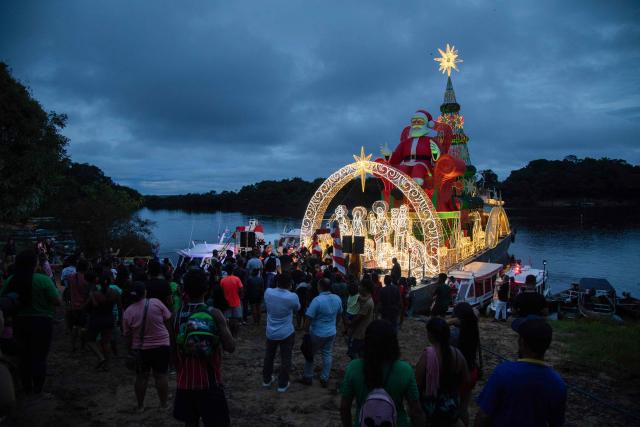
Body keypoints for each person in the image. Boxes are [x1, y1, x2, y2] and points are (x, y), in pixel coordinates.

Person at [475, 316, 566, 427]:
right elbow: (556, 423)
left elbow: (483, 415)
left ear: (521, 342)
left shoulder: (503, 372)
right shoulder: (558, 383)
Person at [173, 269, 235, 427]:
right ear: (207, 290)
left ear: (184, 290)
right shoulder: (214, 313)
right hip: (210, 380)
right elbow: (230, 347)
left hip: (185, 381)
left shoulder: (177, 315)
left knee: (190, 423)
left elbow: (173, 349)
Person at [340, 320, 424, 427]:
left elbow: (344, 407)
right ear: (393, 343)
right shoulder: (405, 370)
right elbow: (416, 410)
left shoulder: (354, 367)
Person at [0, 250, 61, 394]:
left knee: (24, 355)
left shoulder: (11, 280)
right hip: (42, 321)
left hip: (19, 322)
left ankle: (27, 387)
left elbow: (4, 301)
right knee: (40, 355)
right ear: (34, 264)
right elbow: (57, 301)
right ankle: (38, 388)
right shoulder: (43, 279)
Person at [122, 282, 172, 411]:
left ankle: (140, 406)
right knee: (161, 375)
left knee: (141, 377)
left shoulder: (128, 311)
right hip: (161, 345)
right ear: (144, 292)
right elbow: (168, 319)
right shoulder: (156, 303)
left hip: (140, 348)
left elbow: (127, 335)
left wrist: (130, 350)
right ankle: (163, 404)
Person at [415, 317, 469, 426]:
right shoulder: (457, 354)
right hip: (452, 407)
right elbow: (466, 380)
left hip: (431, 409)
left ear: (430, 334)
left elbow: (417, 384)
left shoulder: (428, 355)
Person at [301, 278, 342, 387]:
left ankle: (308, 376)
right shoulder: (337, 298)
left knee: (310, 355)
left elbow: (308, 318)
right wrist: (335, 325)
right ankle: (325, 377)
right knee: (327, 354)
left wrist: (305, 331)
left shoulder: (317, 300)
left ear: (320, 287)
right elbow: (339, 315)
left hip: (317, 333)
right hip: (331, 332)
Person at [263, 273, 300, 393]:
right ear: (290, 284)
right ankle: (282, 384)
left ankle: (266, 380)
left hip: (271, 331)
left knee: (269, 356)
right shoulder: (292, 296)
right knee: (286, 358)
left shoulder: (268, 292)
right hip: (286, 332)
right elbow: (297, 308)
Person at [449, 303, 480, 426]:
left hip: (458, 374)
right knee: (463, 407)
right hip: (472, 371)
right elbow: (475, 313)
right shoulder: (473, 328)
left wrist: (449, 321)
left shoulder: (455, 334)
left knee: (453, 410)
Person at [86, 273, 119, 370]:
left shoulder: (95, 294)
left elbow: (87, 306)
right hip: (109, 318)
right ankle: (107, 364)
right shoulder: (115, 293)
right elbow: (120, 308)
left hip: (97, 319)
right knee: (106, 342)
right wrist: (120, 319)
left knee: (89, 340)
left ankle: (101, 357)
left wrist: (91, 296)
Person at [347, 280, 375, 360]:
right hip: (363, 331)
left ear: (364, 288)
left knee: (353, 353)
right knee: (359, 353)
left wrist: (349, 324)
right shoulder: (367, 298)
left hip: (359, 332)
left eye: (360, 285)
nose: (358, 287)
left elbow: (358, 319)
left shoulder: (367, 303)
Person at [68, 259, 90, 351]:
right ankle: (83, 346)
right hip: (84, 305)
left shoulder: (71, 277)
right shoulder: (86, 278)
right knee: (84, 327)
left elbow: (69, 290)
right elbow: (87, 293)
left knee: (75, 326)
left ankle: (73, 346)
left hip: (74, 305)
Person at [220, 265, 243, 337]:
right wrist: (239, 296)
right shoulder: (237, 279)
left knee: (228, 319)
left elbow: (221, 290)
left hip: (226, 302)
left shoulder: (223, 280)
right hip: (236, 301)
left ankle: (229, 334)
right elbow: (241, 289)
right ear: (233, 271)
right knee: (236, 319)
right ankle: (235, 335)